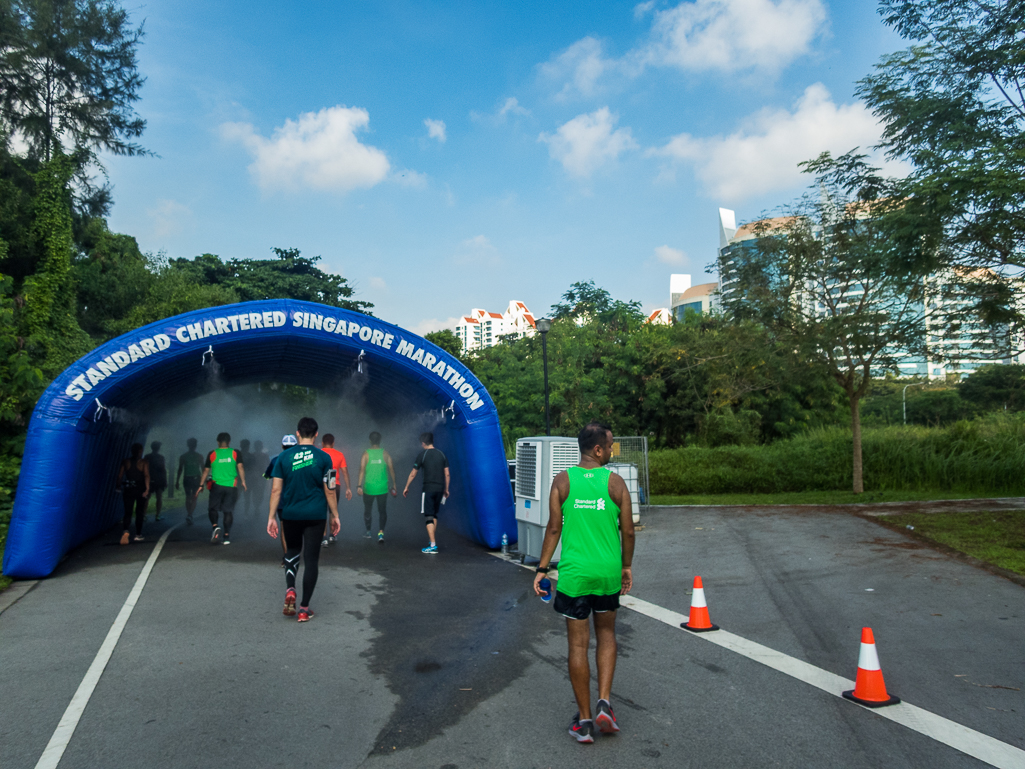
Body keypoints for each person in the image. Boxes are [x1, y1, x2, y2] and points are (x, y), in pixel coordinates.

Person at [532, 422, 635, 744]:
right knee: (606, 634)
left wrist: (542, 568)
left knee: (577, 645)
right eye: (611, 445)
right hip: (606, 572)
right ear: (599, 449)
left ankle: (586, 721)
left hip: (575, 575)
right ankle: (605, 701)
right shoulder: (615, 483)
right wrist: (627, 566)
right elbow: (628, 531)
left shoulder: (562, 481)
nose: (612, 449)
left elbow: (553, 528)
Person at [267, 417, 339, 623]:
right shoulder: (325, 459)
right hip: (316, 515)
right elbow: (330, 489)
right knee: (312, 559)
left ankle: (290, 588)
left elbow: (275, 489)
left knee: (292, 551)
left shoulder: (284, 457)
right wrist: (335, 515)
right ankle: (304, 609)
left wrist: (272, 516)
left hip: (290, 514)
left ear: (297, 433)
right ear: (316, 434)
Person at [196, 432, 247, 546]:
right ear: (229, 442)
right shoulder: (235, 452)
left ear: (218, 442)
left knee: (212, 508)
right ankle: (227, 536)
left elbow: (206, 470)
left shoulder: (212, 453)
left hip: (216, 486)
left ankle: (215, 526)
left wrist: (201, 485)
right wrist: (243, 481)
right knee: (228, 511)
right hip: (231, 486)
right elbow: (241, 467)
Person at [402, 432, 449, 554]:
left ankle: (433, 545)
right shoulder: (442, 454)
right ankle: (431, 539)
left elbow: (413, 473)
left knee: (428, 516)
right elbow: (447, 474)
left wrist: (406, 486)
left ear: (423, 443)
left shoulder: (422, 455)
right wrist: (446, 489)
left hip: (428, 489)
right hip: (440, 489)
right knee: (434, 515)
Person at [357, 431, 397, 541]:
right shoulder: (385, 454)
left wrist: (359, 485)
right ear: (380, 441)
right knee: (382, 511)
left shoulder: (365, 454)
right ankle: (381, 533)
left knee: (367, 510)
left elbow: (361, 470)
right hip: (382, 488)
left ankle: (368, 532)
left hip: (368, 488)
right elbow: (391, 470)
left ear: (370, 441)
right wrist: (394, 485)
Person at [265, 435, 298, 565]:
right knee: (297, 528)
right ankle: (295, 553)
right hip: (298, 500)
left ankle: (287, 556)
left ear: (282, 446)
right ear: (295, 447)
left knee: (284, 529)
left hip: (282, 501)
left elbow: (267, 477)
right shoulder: (302, 461)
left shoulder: (275, 461)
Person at [319, 433, 352, 546]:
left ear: (322, 443)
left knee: (322, 510)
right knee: (333, 510)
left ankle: (323, 537)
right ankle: (332, 535)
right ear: (333, 443)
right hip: (335, 484)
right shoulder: (339, 454)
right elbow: (345, 472)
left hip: (321, 484)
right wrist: (348, 488)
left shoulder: (319, 454)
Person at [115, 443, 150, 545]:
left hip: (128, 488)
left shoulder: (125, 461)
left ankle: (125, 530)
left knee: (128, 512)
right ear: (140, 451)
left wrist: (118, 486)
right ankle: (138, 535)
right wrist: (147, 489)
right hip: (140, 488)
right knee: (139, 512)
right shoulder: (144, 462)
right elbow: (147, 475)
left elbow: (120, 475)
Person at [176, 438, 204, 525]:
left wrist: (177, 481)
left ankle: (189, 514)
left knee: (188, 497)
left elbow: (180, 469)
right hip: (196, 478)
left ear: (188, 445)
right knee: (194, 497)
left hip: (187, 478)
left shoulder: (183, 456)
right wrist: (204, 481)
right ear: (196, 445)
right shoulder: (199, 456)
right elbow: (203, 469)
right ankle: (190, 514)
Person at [144, 441, 168, 521]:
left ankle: (144, 515)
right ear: (159, 448)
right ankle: (157, 515)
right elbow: (163, 469)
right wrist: (165, 481)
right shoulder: (161, 457)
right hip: (159, 479)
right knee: (159, 497)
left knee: (147, 497)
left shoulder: (147, 457)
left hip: (149, 479)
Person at [251, 439, 270, 515]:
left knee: (259, 492)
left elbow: (269, 465)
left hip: (261, 475)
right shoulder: (252, 455)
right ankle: (256, 506)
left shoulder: (264, 455)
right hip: (256, 475)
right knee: (257, 491)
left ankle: (257, 506)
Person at [238, 439, 254, 515]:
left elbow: (253, 468)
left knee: (244, 496)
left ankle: (244, 513)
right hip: (244, 479)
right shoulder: (249, 456)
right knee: (245, 497)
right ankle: (245, 514)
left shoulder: (238, 455)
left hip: (245, 478)